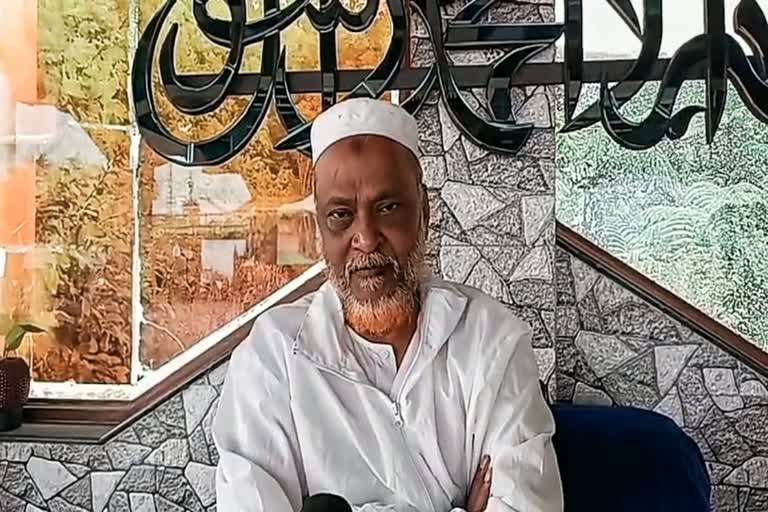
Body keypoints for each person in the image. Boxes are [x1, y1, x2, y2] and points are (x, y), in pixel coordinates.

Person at [213, 98, 563, 512]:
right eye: (341, 215)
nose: (365, 237)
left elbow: (530, 505)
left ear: (423, 212)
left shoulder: (491, 341)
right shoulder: (272, 357)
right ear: (319, 229)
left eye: (388, 208)